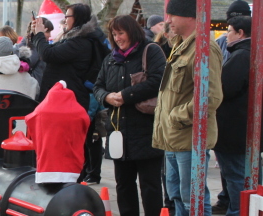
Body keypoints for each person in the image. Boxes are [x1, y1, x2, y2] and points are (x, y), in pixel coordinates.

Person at [153, 0, 223, 215]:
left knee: (193, 200)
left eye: (173, 15)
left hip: (188, 137)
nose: (168, 20)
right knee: (177, 197)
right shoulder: (182, 46)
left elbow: (211, 97)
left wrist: (176, 116)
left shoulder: (204, 48)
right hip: (174, 137)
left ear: (190, 16)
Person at [92, 15, 166, 216]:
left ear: (132, 32)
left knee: (150, 185)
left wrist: (126, 96)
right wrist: (106, 97)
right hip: (118, 130)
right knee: (123, 184)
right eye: (114, 34)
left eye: (121, 33)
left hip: (146, 130)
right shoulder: (110, 58)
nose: (117, 38)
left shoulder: (151, 51)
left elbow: (158, 81)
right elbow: (97, 86)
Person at [30, 3, 109, 111]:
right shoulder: (74, 38)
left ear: (77, 18)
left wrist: (39, 34)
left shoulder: (80, 43)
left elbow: (48, 54)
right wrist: (36, 34)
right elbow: (49, 50)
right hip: (63, 98)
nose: (65, 19)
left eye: (67, 16)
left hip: (69, 101)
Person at [212, 2, 250, 212]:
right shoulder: (250, 52)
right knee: (248, 176)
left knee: (236, 176)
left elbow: (224, 88)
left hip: (233, 129)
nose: (226, 35)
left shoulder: (241, 55)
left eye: (229, 31)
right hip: (244, 129)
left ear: (240, 32)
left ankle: (237, 211)